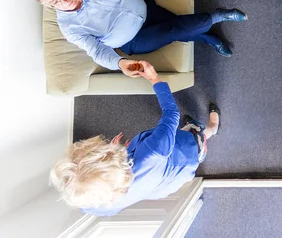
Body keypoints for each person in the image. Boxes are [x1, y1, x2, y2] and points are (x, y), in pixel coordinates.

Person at [28, 0, 247, 76]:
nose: (64, 2)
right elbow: (96, 51)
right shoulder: (69, 28)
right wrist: (119, 62)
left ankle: (209, 37)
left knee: (178, 25)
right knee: (174, 30)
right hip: (133, 40)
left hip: (144, 9)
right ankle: (217, 17)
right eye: (55, 3)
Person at [49, 61, 220, 216]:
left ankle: (193, 128)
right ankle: (213, 127)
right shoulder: (154, 151)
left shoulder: (92, 204)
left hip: (158, 186)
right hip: (184, 155)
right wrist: (154, 79)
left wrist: (119, 153)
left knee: (177, 132)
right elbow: (171, 114)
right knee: (199, 134)